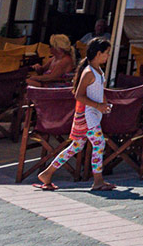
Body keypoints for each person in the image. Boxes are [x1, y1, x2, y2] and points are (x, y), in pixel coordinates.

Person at [37, 37, 113, 192]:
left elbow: (98, 91)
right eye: (106, 53)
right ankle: (98, 180)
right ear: (98, 53)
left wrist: (103, 104)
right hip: (88, 115)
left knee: (76, 146)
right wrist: (99, 105)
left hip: (93, 114)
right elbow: (79, 95)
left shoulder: (97, 71)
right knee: (99, 144)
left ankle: (47, 173)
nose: (107, 56)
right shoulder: (89, 72)